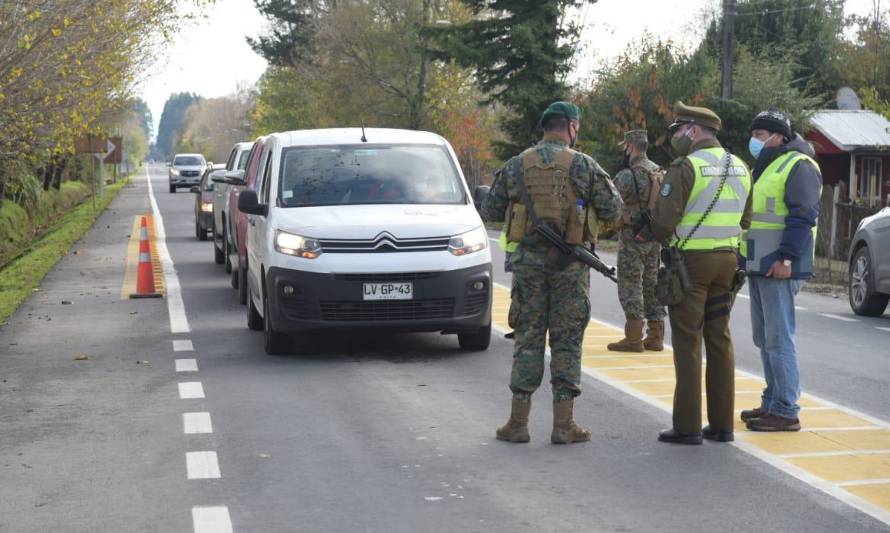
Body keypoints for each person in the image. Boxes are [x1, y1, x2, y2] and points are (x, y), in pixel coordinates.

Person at [482, 101, 622, 444]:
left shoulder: (516, 165)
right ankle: (564, 425)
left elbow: (491, 208)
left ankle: (517, 424)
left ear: (545, 127)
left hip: (528, 268)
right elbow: (614, 209)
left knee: (528, 340)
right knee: (567, 341)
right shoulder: (584, 165)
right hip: (570, 268)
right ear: (571, 126)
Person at [649, 101, 752, 445]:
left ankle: (687, 426)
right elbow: (746, 221)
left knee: (688, 340)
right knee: (719, 338)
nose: (676, 136)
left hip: (691, 264)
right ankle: (722, 425)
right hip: (728, 262)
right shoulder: (741, 167)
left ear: (693, 130)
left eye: (678, 130)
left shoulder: (685, 166)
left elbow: (664, 224)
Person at [741, 110, 822, 432]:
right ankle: (772, 401)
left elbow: (803, 215)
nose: (756, 141)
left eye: (761, 135)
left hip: (780, 264)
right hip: (761, 262)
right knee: (765, 338)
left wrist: (786, 259)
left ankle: (786, 409)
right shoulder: (768, 164)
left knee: (778, 339)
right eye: (755, 134)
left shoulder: (799, 165)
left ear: (779, 136)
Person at [608, 130, 667, 352]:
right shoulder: (659, 172)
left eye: (625, 146)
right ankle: (656, 335)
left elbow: (610, 203)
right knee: (651, 283)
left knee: (630, 284)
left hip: (633, 236)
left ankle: (633, 337)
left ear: (631, 147)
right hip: (654, 236)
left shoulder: (626, 175)